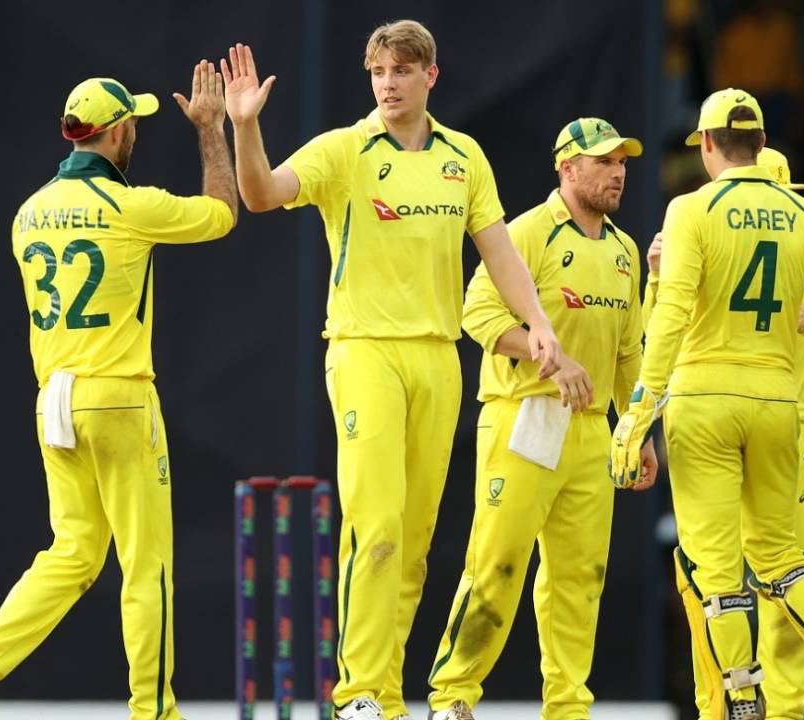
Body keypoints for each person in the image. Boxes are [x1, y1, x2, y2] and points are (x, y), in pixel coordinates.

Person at [219, 20, 561, 720]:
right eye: (378, 72)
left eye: (401, 71)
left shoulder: (463, 158)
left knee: (411, 542)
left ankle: (387, 696)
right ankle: (358, 696)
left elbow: (498, 253)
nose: (388, 84)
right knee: (373, 525)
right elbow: (260, 194)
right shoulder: (346, 149)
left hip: (438, 358)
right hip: (364, 349)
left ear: (430, 76)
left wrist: (540, 323)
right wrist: (246, 129)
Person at [0, 62, 237, 720]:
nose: (136, 135)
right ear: (118, 131)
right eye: (134, 125)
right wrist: (212, 130)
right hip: (119, 396)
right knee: (147, 564)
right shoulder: (128, 206)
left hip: (54, 399)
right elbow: (221, 215)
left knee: (72, 552)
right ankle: (153, 711)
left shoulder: (27, 216)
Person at [611, 88, 804, 720]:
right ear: (762, 146)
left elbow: (671, 316)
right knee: (784, 555)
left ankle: (740, 696)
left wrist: (640, 409)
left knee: (715, 567)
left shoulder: (690, 210)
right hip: (776, 407)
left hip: (704, 400)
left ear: (707, 145)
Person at [425, 118, 655, 720]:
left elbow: (631, 350)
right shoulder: (528, 232)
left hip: (593, 429)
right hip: (524, 416)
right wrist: (545, 354)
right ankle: (452, 699)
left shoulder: (626, 251)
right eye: (603, 162)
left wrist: (637, 429)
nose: (618, 172)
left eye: (622, 162)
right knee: (497, 564)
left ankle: (568, 709)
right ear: (567, 168)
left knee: (580, 580)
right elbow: (473, 311)